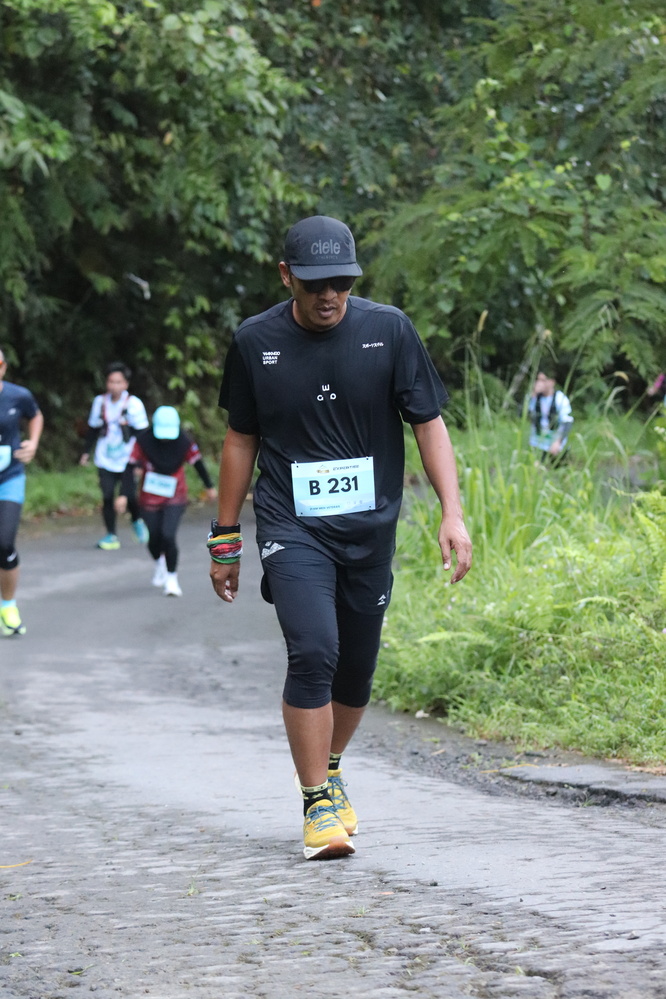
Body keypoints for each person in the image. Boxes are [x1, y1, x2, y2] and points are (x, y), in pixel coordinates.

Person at [209, 215, 472, 860]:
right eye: (315, 284)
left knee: (356, 669)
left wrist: (452, 513)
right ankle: (316, 805)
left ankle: (328, 767)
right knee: (314, 650)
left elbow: (428, 423)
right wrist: (226, 535)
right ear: (286, 276)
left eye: (342, 283)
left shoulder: (389, 331)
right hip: (291, 523)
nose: (330, 296)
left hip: (369, 529)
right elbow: (241, 439)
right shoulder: (255, 341)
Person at [117, 406, 217, 596]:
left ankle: (172, 578)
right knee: (154, 537)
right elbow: (129, 468)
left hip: (175, 496)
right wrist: (123, 494)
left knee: (168, 535)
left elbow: (198, 463)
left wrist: (209, 486)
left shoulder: (184, 442)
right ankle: (159, 563)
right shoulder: (142, 441)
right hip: (149, 498)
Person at [79, 362, 150, 550]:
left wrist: (141, 461)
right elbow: (93, 429)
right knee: (108, 495)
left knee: (129, 495)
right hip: (105, 457)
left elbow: (143, 434)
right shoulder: (100, 402)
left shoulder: (134, 405)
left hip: (128, 458)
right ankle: (111, 535)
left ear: (126, 384)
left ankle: (137, 520)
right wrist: (86, 452)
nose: (114, 386)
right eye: (111, 381)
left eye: (118, 382)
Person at [0, 348, 43, 637]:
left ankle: (8, 606)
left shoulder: (18, 395)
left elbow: (35, 416)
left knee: (4, 543)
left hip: (9, 478)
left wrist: (33, 442)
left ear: (3, 367)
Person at [528, 370, 573, 461]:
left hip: (554, 443)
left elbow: (567, 422)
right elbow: (523, 414)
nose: (540, 383)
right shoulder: (533, 398)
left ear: (552, 382)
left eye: (543, 380)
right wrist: (533, 394)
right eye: (538, 380)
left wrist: (558, 442)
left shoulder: (560, 398)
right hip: (537, 442)